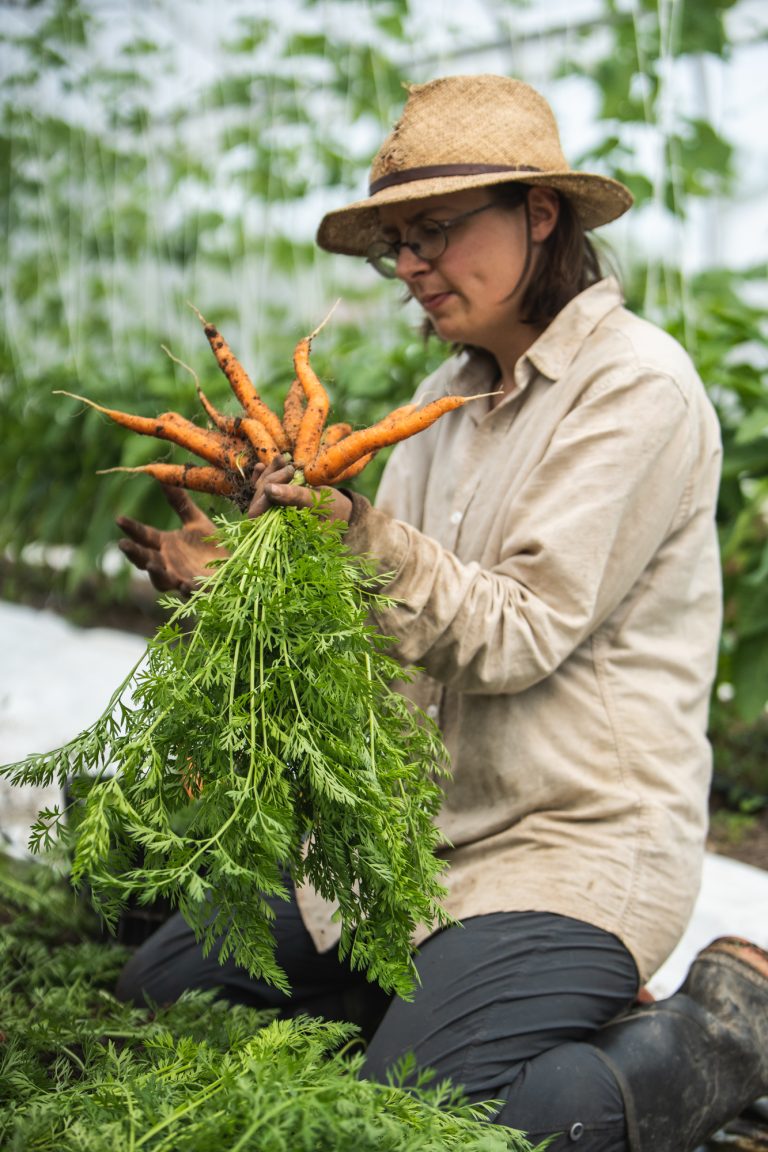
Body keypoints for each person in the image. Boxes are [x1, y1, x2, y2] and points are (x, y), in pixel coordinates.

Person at [114, 75, 768, 1151]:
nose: (411, 265)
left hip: (570, 849)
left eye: (433, 232)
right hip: (414, 858)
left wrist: (351, 530)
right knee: (167, 991)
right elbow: (379, 636)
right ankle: (478, 1010)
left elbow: (513, 632)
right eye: (397, 244)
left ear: (538, 215)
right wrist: (240, 597)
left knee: (434, 1118)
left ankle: (711, 1040)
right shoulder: (450, 404)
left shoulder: (635, 390)